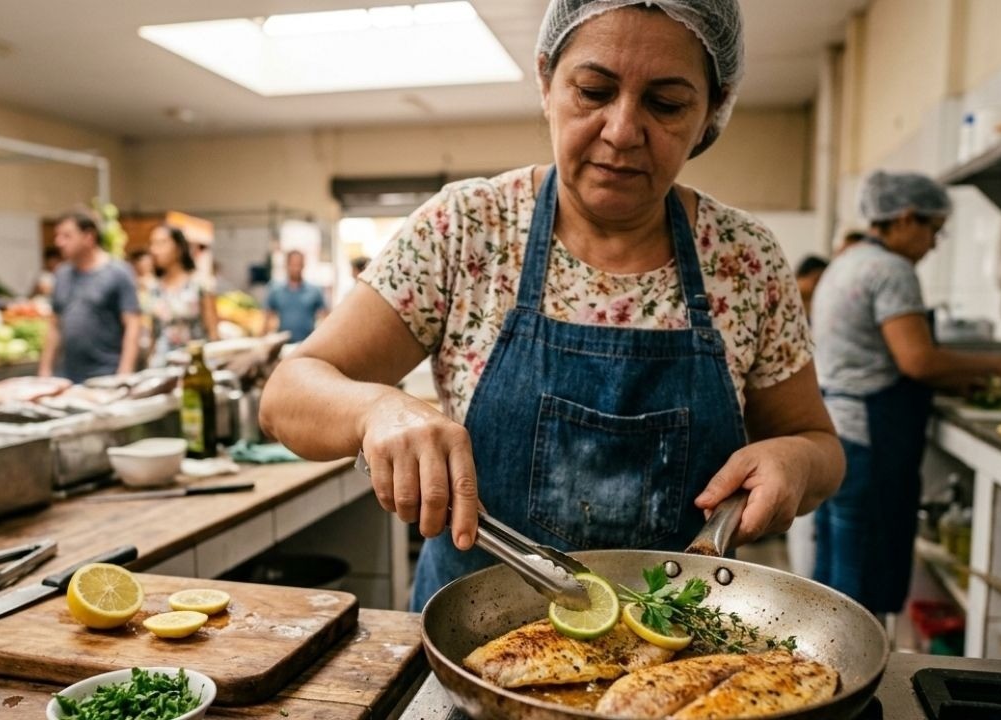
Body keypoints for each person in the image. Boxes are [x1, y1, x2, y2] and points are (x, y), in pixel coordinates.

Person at [260, 0, 845, 611]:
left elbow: (818, 445)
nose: (621, 131)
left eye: (666, 104)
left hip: (679, 646)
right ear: (546, 81)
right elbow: (286, 397)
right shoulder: (467, 229)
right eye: (593, 90)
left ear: (711, 111)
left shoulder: (744, 259)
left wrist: (796, 461)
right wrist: (377, 409)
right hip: (475, 635)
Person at [811, 170, 1001, 616]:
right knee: (863, 582)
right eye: (933, 230)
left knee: (834, 573)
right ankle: (859, 676)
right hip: (869, 438)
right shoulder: (892, 270)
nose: (932, 243)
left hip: (836, 430)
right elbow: (918, 360)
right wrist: (997, 366)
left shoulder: (845, 262)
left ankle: (820, 671)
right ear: (907, 218)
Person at [38, 211, 142, 383]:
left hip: (106, 375)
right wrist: (45, 371)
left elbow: (133, 325)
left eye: (67, 236)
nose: (58, 242)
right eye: (58, 236)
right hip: (68, 377)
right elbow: (55, 326)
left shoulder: (118, 273)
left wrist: (124, 375)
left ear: (88, 237)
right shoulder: (62, 274)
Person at [146, 224, 218, 364]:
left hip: (194, 365)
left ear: (179, 248)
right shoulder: (154, 288)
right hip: (161, 366)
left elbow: (213, 332)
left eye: (161, 243)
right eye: (152, 244)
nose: (154, 250)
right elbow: (154, 334)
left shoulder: (200, 284)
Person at [265, 250, 327, 343]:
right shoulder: (276, 290)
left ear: (303, 265)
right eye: (293, 264)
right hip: (282, 343)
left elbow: (324, 317)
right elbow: (268, 317)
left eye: (299, 264)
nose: (296, 268)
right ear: (286, 265)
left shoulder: (314, 290)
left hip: (307, 343)